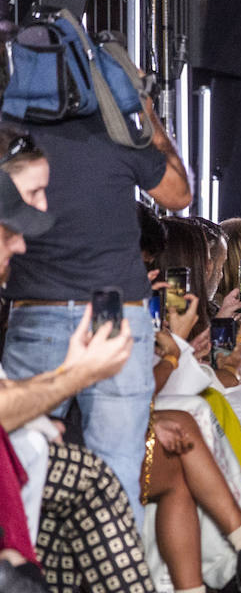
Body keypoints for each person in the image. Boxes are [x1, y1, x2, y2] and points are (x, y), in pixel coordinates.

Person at [1, 101, 192, 534]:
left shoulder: (11, 128)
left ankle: (22, 568)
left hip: (35, 307)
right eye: (32, 197)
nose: (26, 235)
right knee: (117, 474)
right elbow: (179, 195)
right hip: (116, 310)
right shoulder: (117, 128)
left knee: (20, 457)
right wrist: (148, 114)